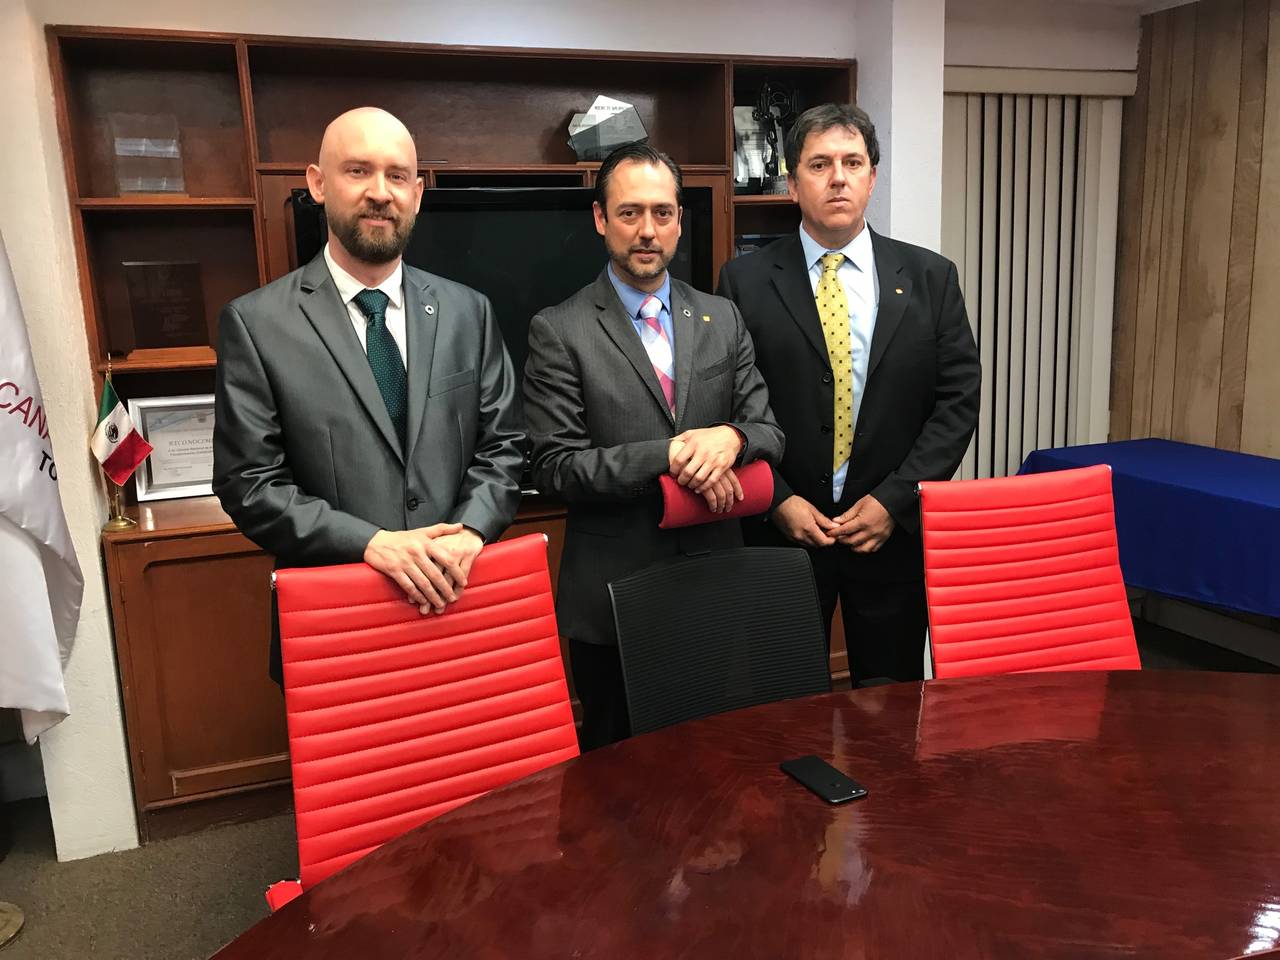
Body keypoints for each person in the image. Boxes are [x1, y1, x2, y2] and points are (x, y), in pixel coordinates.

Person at [213, 106, 524, 685]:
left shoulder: (469, 312)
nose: (380, 193)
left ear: (417, 193)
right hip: (336, 629)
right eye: (358, 171)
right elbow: (248, 484)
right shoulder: (256, 324)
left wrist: (471, 531)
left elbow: (504, 444)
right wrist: (371, 543)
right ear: (317, 183)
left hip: (460, 605)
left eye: (397, 175)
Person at [523, 143, 784, 749]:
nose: (648, 230)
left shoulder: (722, 317)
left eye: (662, 213)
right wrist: (671, 456)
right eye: (630, 212)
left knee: (710, 763)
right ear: (600, 218)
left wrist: (732, 437)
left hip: (714, 588)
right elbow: (555, 467)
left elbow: (769, 432)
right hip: (614, 600)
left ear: (679, 220)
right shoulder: (559, 329)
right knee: (618, 777)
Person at [717, 103, 980, 684]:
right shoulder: (744, 281)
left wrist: (896, 500)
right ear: (792, 184)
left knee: (890, 708)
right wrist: (777, 499)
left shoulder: (931, 278)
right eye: (819, 165)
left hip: (889, 534)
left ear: (872, 177)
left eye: (852, 163)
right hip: (781, 533)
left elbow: (957, 401)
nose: (838, 177)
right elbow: (731, 405)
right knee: (780, 702)